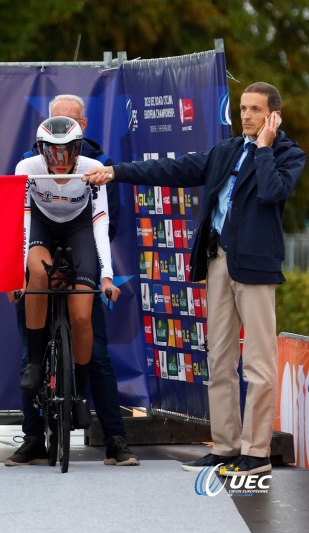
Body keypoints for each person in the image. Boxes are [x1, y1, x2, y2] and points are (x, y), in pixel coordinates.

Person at [84, 81, 305, 476]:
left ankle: (255, 455)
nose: (247, 116)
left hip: (254, 268)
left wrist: (265, 148)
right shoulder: (227, 150)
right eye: (242, 109)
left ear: (274, 115)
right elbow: (174, 169)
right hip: (217, 261)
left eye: (255, 110)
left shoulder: (288, 154)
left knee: (258, 365)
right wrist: (116, 172)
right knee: (219, 360)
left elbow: (273, 193)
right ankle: (224, 449)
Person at [4, 95, 139, 467]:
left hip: (80, 234)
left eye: (69, 150)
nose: (61, 159)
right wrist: (17, 272)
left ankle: (104, 427)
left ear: (82, 132)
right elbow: (23, 222)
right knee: (34, 290)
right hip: (43, 233)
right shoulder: (27, 166)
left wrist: (107, 275)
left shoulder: (97, 166)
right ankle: (33, 435)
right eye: (54, 150)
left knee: (88, 333)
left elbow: (101, 227)